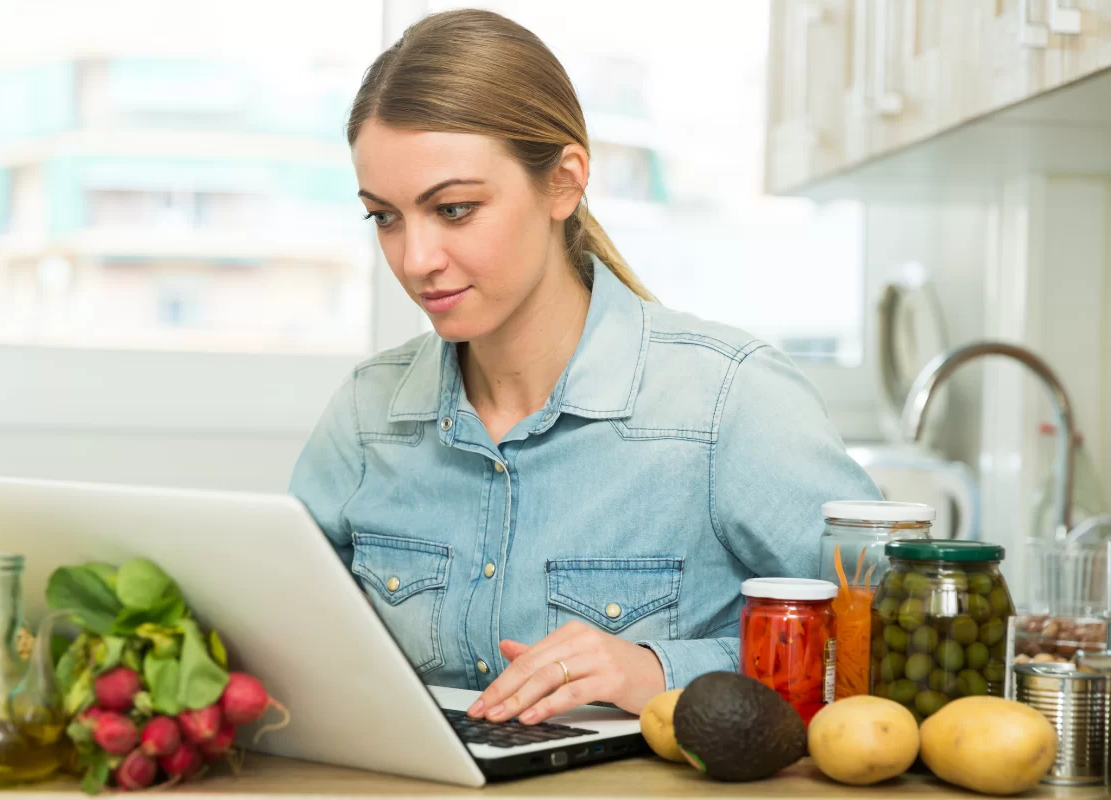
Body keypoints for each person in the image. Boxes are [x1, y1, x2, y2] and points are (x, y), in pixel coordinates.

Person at [289, 8, 882, 726]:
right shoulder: (367, 413)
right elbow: (281, 637)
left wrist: (662, 670)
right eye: (383, 216)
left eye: (453, 209)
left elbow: (888, 645)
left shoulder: (728, 402)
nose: (415, 260)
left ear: (564, 183)